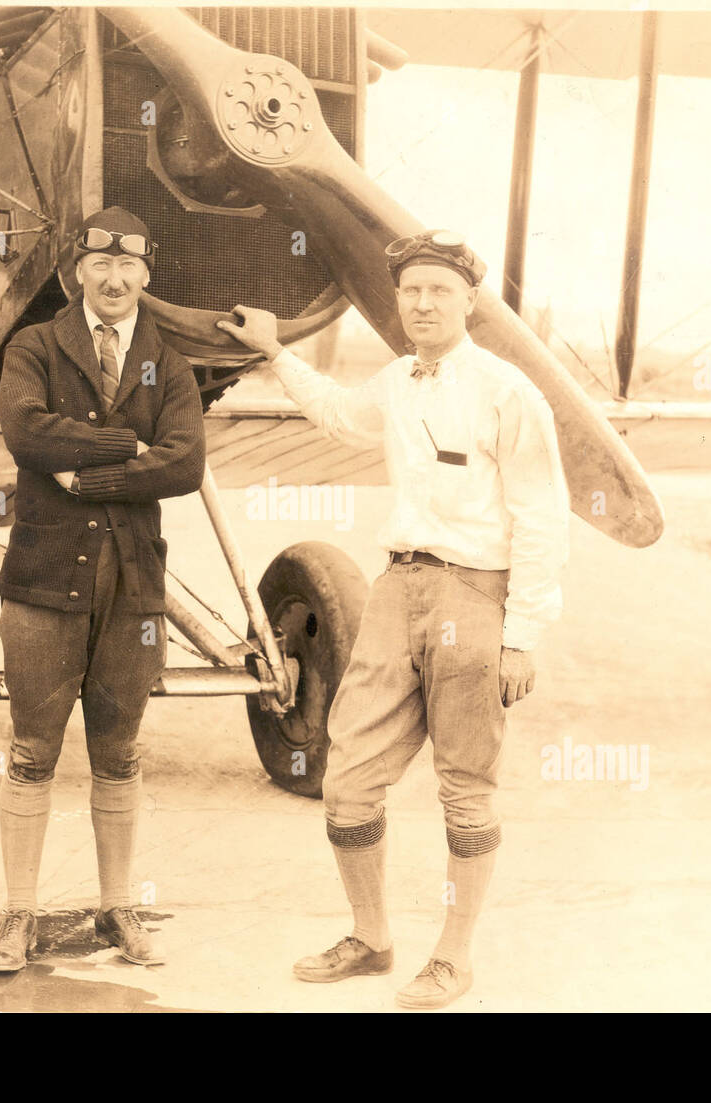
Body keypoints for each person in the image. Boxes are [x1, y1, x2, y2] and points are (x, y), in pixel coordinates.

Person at [218, 230, 570, 1009]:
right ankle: (371, 937)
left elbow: (544, 518)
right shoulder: (400, 381)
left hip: (475, 595)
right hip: (394, 589)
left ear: (469, 301)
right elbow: (342, 416)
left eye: (438, 290)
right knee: (345, 779)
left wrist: (521, 636)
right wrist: (277, 353)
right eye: (410, 290)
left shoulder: (509, 392)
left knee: (466, 791)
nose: (421, 302)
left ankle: (453, 955)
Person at [0, 206, 205, 972]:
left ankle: (117, 909)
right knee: (32, 751)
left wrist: (86, 471)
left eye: (130, 266)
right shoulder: (35, 346)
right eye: (100, 265)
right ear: (78, 269)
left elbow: (185, 465)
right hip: (42, 581)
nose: (114, 279)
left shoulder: (167, 362)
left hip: (134, 590)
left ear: (148, 272)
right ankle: (18, 915)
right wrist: (125, 444)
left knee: (119, 753)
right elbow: (25, 433)